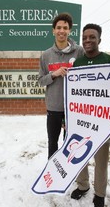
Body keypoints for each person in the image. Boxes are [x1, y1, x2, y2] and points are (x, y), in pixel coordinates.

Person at [69, 23, 110, 207]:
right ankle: (83, 185)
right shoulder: (78, 62)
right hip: (81, 120)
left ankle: (100, 192)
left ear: (99, 39)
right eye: (85, 37)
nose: (88, 40)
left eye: (92, 37)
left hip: (101, 122)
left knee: (101, 160)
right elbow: (72, 94)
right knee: (80, 154)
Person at [38, 12, 84, 159]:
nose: (61, 31)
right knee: (53, 142)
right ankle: (51, 171)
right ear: (53, 30)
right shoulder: (46, 55)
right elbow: (40, 81)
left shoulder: (79, 52)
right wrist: (54, 74)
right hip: (54, 107)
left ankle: (67, 172)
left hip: (73, 107)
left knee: (70, 143)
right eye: (58, 28)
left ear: (70, 30)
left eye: (65, 27)